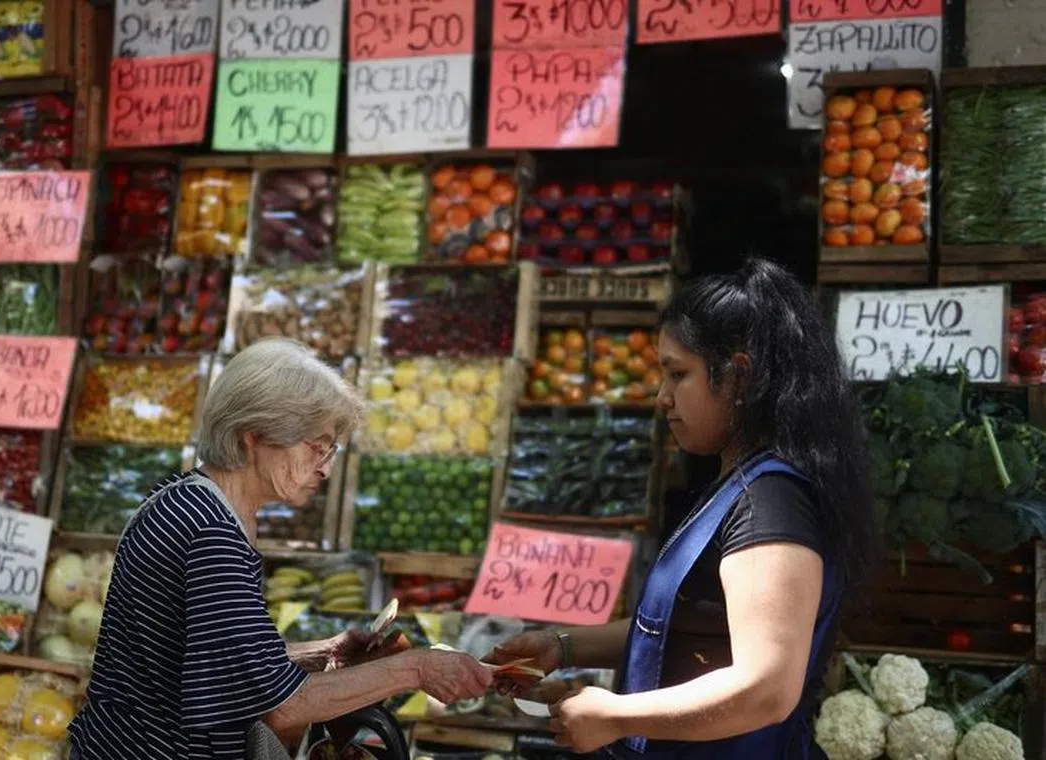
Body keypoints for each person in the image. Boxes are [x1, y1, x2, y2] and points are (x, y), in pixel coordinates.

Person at [486, 259, 877, 760]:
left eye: (678, 374)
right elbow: (687, 622)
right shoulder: (741, 484)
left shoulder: (771, 505)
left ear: (740, 377)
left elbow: (768, 688)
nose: (662, 398)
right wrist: (564, 646)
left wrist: (616, 715)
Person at [69, 338, 492, 759]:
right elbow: (281, 707)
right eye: (316, 446)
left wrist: (318, 652)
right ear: (254, 435)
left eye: (331, 449)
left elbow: (214, 658)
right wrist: (416, 668)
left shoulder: (190, 498)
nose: (326, 467)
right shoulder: (211, 532)